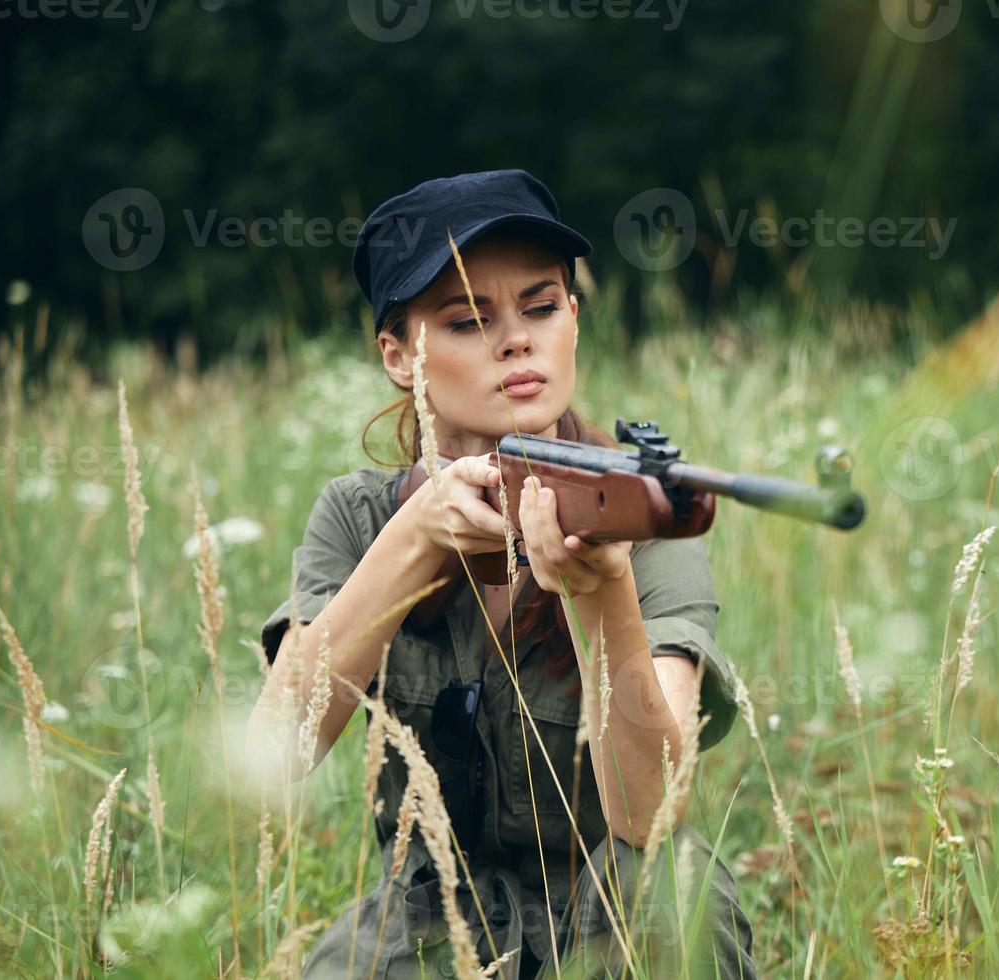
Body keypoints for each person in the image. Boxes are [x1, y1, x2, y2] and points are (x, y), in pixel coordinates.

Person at [247, 170, 758, 980]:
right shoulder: (357, 517)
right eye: (466, 320)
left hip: (613, 893)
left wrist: (602, 595)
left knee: (676, 903)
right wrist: (415, 539)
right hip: (430, 906)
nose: (517, 340)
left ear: (575, 321)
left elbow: (649, 815)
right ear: (397, 356)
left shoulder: (638, 513)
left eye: (542, 306)